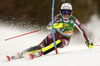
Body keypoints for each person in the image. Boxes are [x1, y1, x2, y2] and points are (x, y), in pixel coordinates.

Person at [7, 3, 94, 61]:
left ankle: (41, 53)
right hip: (55, 35)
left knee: (59, 42)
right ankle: (20, 54)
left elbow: (83, 29)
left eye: (68, 12)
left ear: (71, 12)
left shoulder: (73, 20)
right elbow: (49, 25)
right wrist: (54, 25)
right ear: (61, 12)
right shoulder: (58, 17)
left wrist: (87, 40)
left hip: (65, 39)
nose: (65, 14)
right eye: (63, 12)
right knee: (39, 46)